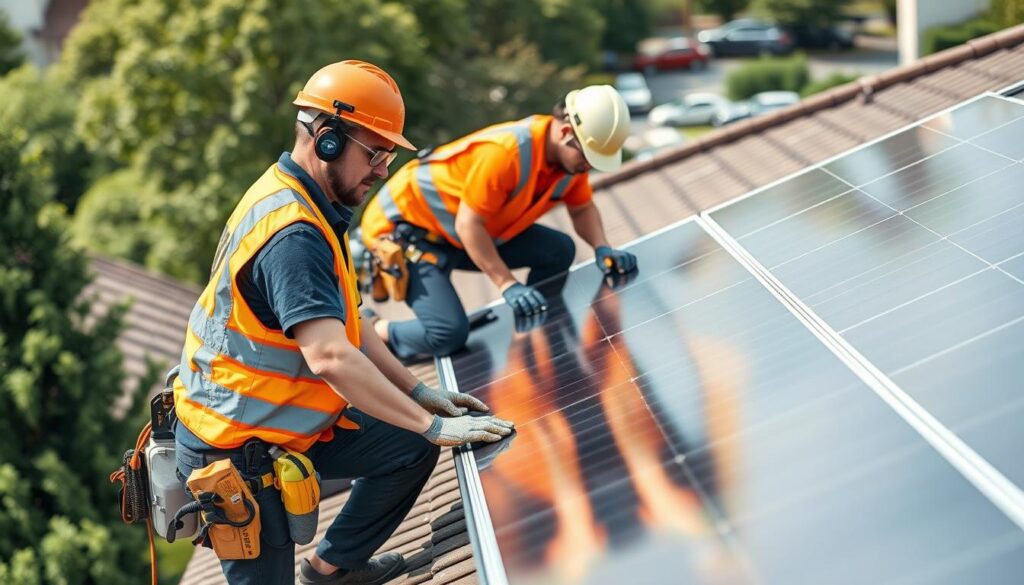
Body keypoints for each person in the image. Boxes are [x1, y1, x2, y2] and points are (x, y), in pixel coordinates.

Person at [172, 60, 513, 585]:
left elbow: (350, 324)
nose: (382, 170)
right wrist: (436, 425)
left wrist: (419, 399)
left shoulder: (311, 203)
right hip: (237, 448)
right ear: (326, 140)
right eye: (374, 154)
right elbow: (330, 356)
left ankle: (332, 569)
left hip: (282, 422)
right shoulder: (294, 235)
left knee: (409, 443)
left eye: (388, 156)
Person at [360, 85, 639, 359]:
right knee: (447, 335)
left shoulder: (569, 162)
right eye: (587, 157)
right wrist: (507, 284)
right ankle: (373, 328)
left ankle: (541, 321)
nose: (588, 166)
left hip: (461, 233)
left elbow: (582, 209)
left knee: (559, 250)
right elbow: (469, 226)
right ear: (566, 132)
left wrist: (602, 246)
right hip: (407, 234)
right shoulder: (507, 154)